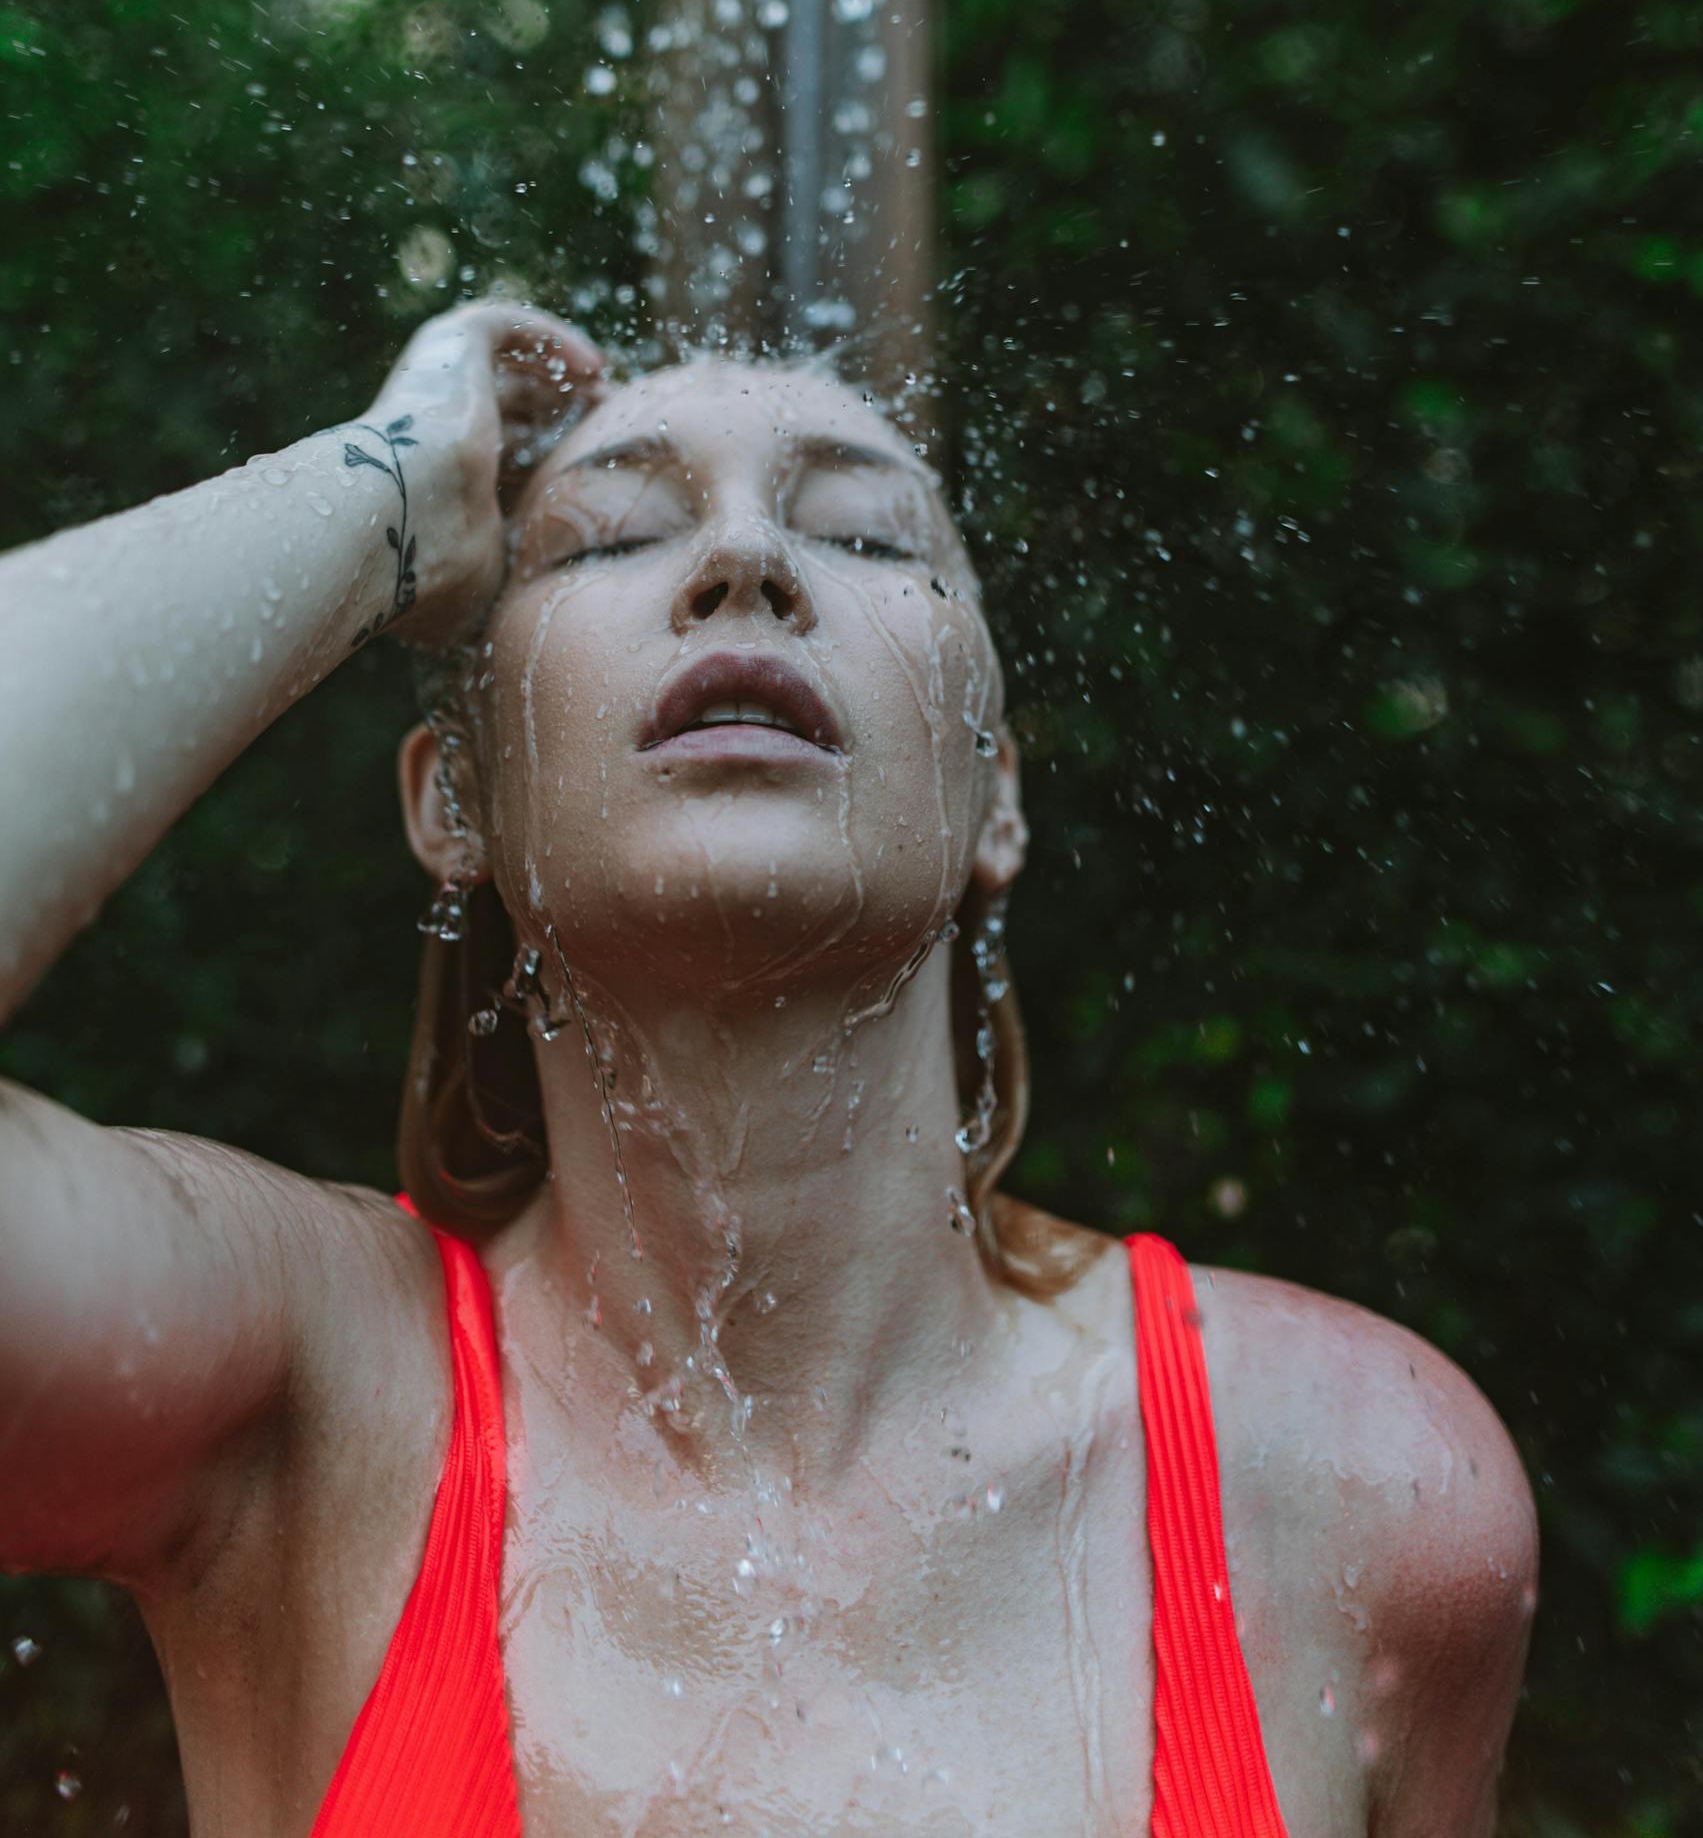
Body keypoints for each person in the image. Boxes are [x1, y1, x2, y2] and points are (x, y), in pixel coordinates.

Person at [0, 302, 1537, 1836]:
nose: (750, 567)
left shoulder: (1358, 1487)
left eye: (867, 537)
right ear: (455, 797)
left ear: (995, 795)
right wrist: (389, 488)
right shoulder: (303, 1404)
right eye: (607, 541)